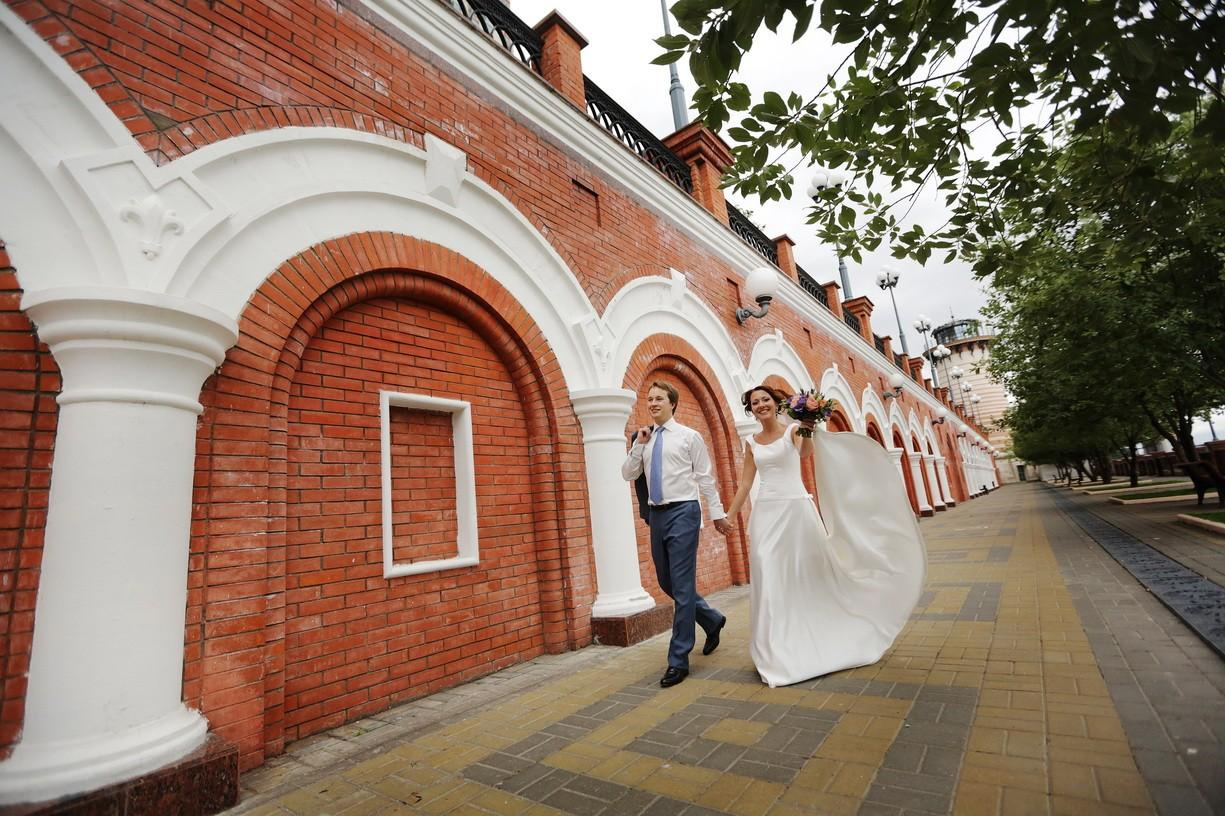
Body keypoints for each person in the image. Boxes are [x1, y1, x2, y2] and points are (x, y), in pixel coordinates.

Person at [724, 385, 926, 687]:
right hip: (766, 513)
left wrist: (807, 426)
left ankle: (813, 635)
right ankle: (775, 646)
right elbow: (744, 484)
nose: (760, 405)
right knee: (768, 570)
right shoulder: (751, 442)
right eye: (754, 403)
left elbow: (805, 454)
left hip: (795, 511)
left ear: (777, 404)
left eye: (765, 400)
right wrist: (729, 515)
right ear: (750, 409)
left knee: (805, 572)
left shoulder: (793, 429)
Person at [621, 381, 732, 688]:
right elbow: (628, 474)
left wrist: (717, 514)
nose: (653, 403)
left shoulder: (689, 437)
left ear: (672, 403)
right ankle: (711, 619)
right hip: (657, 515)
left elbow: (705, 479)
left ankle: (678, 659)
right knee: (666, 582)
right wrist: (639, 445)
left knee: (682, 586)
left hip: (684, 511)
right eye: (650, 399)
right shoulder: (642, 438)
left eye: (659, 398)